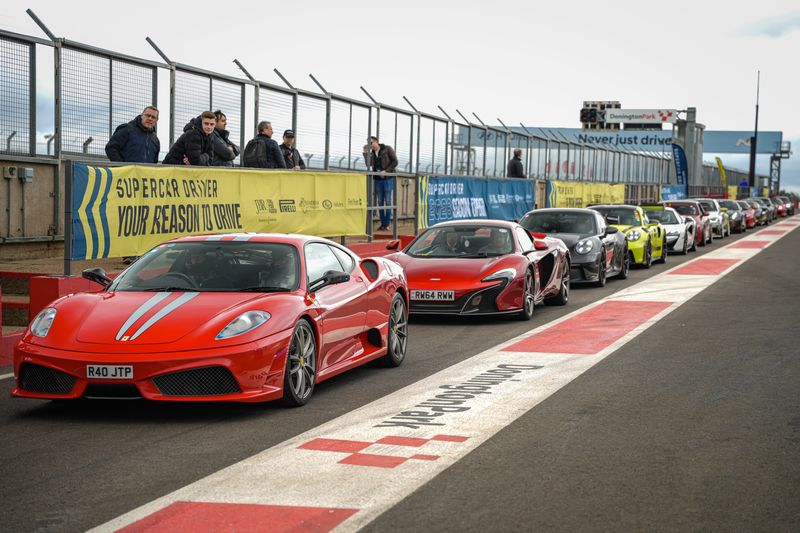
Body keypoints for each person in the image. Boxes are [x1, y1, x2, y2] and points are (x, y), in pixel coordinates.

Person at [363, 136, 398, 231]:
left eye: (371, 143)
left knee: (388, 201)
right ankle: (383, 224)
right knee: (380, 202)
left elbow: (395, 161)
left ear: (376, 142)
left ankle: (387, 224)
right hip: (378, 180)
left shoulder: (387, 148)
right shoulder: (372, 153)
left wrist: (386, 171)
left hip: (388, 178)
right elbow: (368, 164)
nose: (370, 145)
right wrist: (365, 153)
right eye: (369, 144)